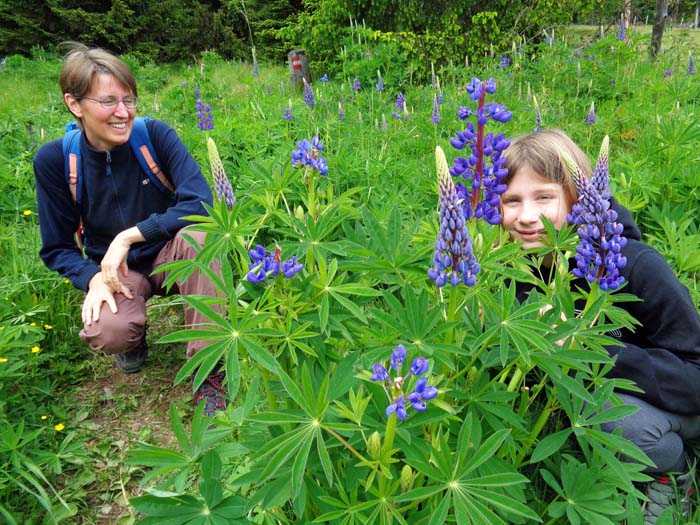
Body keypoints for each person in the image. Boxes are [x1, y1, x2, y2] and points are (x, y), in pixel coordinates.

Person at [501, 129, 700, 523]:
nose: (525, 216)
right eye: (512, 201)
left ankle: (671, 472)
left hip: (674, 401)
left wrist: (589, 348)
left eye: (544, 197)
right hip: (584, 401)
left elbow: (696, 376)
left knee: (619, 420)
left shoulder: (638, 265)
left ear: (577, 201)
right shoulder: (515, 272)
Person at [33, 42, 226, 416]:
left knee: (202, 235)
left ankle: (209, 369)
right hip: (118, 273)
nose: (123, 113)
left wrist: (129, 235)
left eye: (129, 99)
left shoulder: (155, 136)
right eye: (108, 102)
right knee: (109, 330)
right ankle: (131, 339)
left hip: (172, 253)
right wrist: (91, 278)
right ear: (75, 104)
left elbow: (201, 202)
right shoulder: (56, 160)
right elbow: (57, 247)